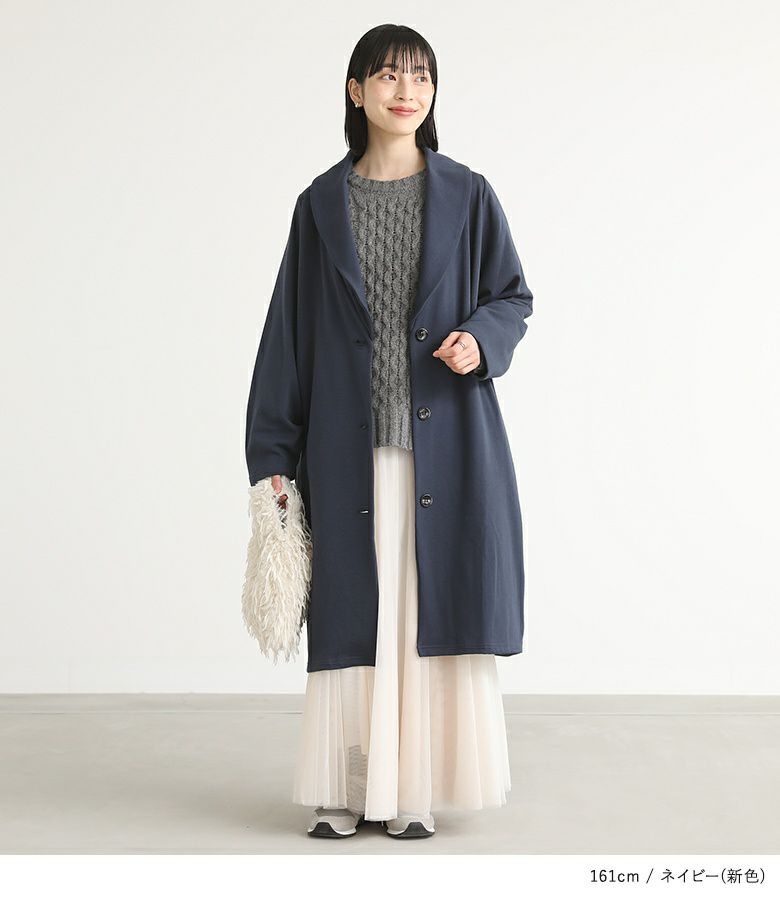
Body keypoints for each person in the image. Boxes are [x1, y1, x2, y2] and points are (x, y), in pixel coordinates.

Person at [245, 23, 534, 839]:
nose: (406, 92)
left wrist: (481, 339)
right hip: (345, 449)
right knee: (353, 615)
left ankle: (414, 790)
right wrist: (272, 453)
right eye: (388, 76)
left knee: (422, 610)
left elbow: (513, 295)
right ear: (356, 90)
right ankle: (346, 786)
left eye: (421, 77)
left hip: (445, 448)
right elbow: (287, 334)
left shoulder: (468, 194)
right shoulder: (319, 205)